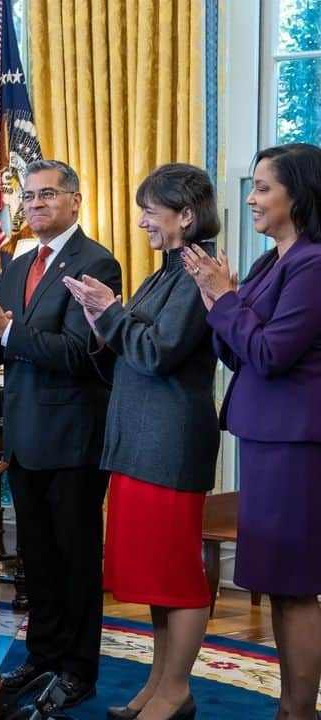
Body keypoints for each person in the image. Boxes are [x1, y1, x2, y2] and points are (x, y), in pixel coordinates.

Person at [0, 159, 122, 708]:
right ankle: (43, 656)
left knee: (75, 562)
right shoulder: (19, 262)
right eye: (28, 197)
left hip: (73, 438)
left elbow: (79, 353)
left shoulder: (97, 263)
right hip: (23, 435)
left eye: (48, 194)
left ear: (75, 200)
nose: (36, 204)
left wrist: (8, 330)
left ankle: (78, 670)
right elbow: (3, 353)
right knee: (39, 561)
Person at [64, 164, 221, 720]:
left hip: (169, 444)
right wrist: (100, 317)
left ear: (185, 214)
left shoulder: (198, 271)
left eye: (150, 210)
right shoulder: (165, 272)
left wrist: (111, 311)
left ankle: (175, 691)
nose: (141, 221)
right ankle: (160, 685)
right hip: (140, 442)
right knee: (156, 574)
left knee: (176, 573)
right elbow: (135, 349)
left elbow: (158, 353)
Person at [185, 142, 321, 720]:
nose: (251, 198)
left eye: (264, 187)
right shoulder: (273, 260)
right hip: (267, 437)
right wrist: (216, 299)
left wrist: (226, 299)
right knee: (282, 579)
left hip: (296, 442)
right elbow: (237, 349)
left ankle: (297, 711)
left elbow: (269, 353)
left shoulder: (314, 263)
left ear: (301, 192)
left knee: (294, 584)